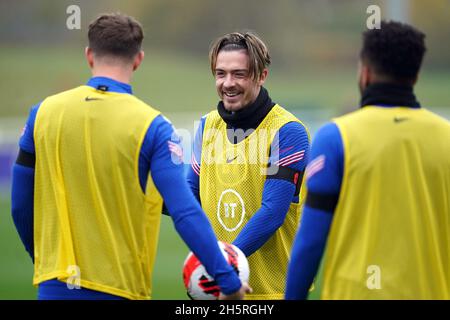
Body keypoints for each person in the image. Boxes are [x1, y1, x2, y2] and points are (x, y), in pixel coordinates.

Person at [10, 13, 250, 300]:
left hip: (55, 287)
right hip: (121, 289)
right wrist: (227, 280)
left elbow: (20, 206)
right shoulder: (153, 127)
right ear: (138, 59)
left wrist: (44, 262)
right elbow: (184, 211)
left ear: (89, 55)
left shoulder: (43, 114)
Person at [285, 20, 450, 300]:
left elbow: (310, 242)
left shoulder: (335, 137)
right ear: (415, 76)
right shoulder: (446, 136)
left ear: (365, 72)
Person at [186, 32, 310, 300]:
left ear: (261, 75)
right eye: (220, 74)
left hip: (272, 292)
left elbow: (272, 213)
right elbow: (189, 196)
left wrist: (223, 268)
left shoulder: (288, 131)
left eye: (238, 74)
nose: (227, 83)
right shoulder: (207, 125)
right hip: (220, 289)